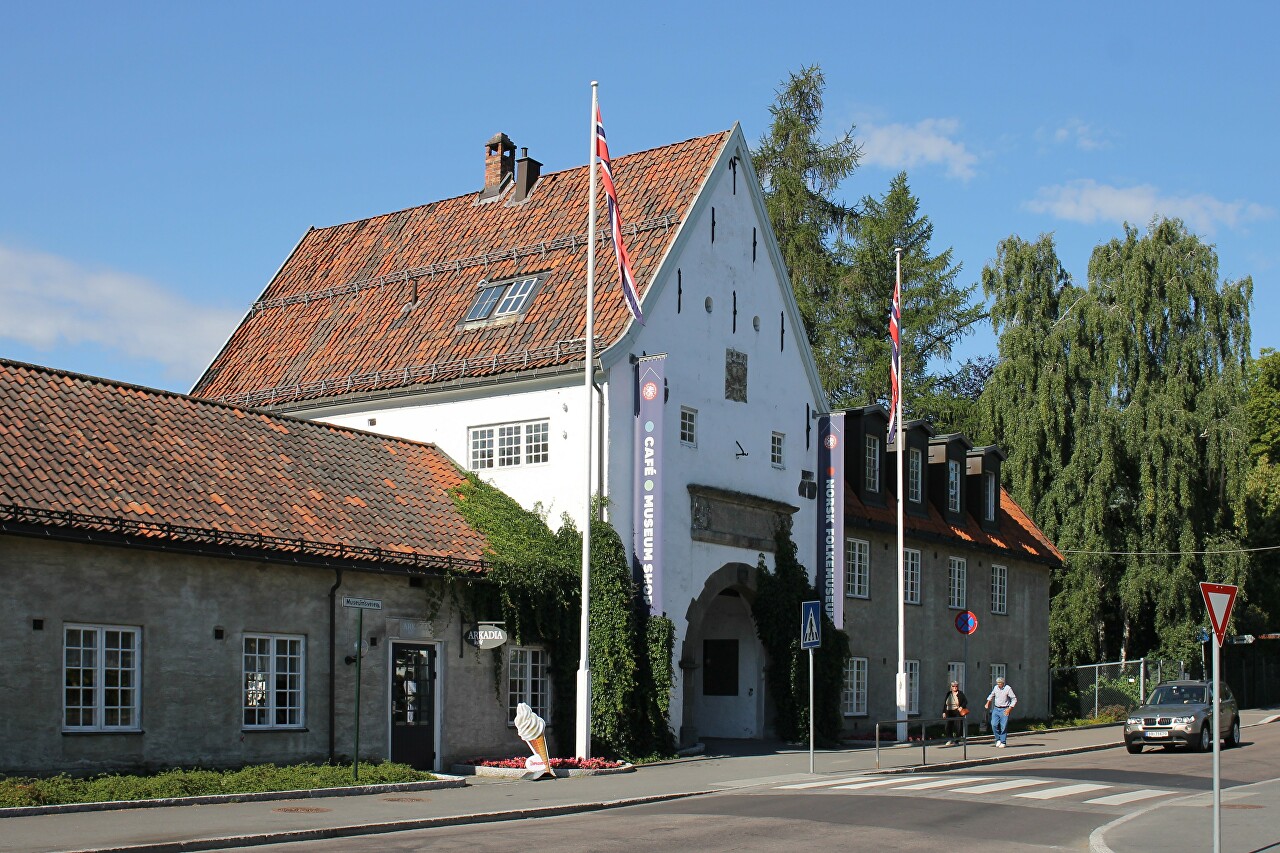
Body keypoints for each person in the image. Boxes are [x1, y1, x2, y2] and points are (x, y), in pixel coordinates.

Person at [985, 676, 1017, 747]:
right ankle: (998, 739)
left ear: (1003, 683)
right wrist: (988, 702)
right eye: (998, 683)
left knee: (1003, 726)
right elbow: (991, 695)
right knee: (993, 724)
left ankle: (1003, 741)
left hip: (1004, 709)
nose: (999, 685)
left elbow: (1014, 699)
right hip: (996, 708)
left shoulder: (1008, 688)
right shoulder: (996, 688)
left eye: (1000, 683)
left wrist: (1009, 709)